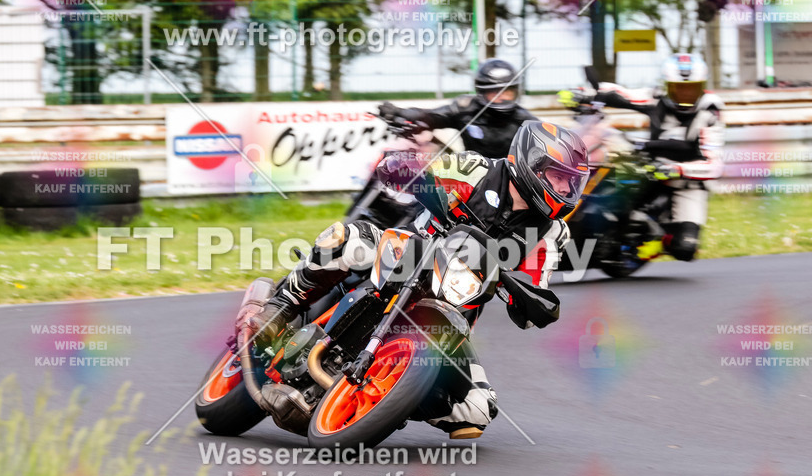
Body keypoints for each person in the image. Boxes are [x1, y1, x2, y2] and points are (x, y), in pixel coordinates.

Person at [247, 120, 589, 440]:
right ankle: (281, 307)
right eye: (558, 177)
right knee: (346, 240)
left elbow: (535, 290)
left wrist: (530, 302)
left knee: (478, 410)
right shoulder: (477, 169)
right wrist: (408, 168)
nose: (564, 188)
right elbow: (422, 169)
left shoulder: (552, 234)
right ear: (532, 164)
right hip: (406, 253)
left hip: (454, 305)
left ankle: (392, 397)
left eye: (571, 182)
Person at [567, 53, 724, 261]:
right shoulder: (657, 98)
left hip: (686, 181)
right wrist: (589, 94)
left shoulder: (710, 114)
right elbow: (621, 94)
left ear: (701, 86)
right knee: (607, 179)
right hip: (649, 165)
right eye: (678, 88)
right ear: (668, 86)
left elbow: (714, 165)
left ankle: (652, 243)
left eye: (691, 88)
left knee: (684, 248)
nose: (684, 94)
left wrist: (678, 169)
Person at [377, 59, 537, 159]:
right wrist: (402, 112)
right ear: (482, 92)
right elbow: (432, 116)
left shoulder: (527, 122)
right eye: (495, 92)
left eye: (507, 92)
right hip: (470, 180)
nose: (502, 98)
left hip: (511, 185)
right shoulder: (466, 109)